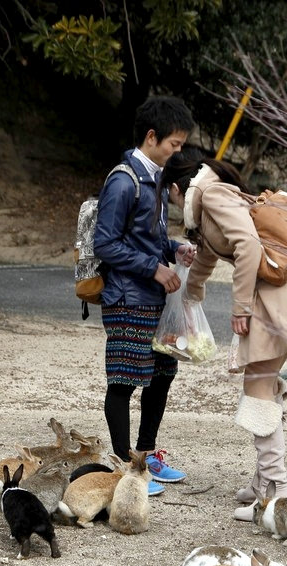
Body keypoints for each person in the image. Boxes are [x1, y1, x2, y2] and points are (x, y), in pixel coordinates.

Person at [156, 152, 287, 518]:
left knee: (257, 388)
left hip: (275, 297)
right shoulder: (211, 200)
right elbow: (210, 255)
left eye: (170, 197)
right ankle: (264, 483)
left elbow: (248, 245)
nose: (174, 205)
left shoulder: (210, 196)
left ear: (177, 188)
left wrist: (240, 307)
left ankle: (276, 493)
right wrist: (189, 299)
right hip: (280, 293)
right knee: (262, 381)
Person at [93, 96, 195, 497]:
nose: (178, 150)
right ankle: (125, 467)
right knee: (123, 381)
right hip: (126, 299)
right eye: (174, 143)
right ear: (152, 137)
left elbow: (144, 238)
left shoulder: (154, 178)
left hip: (154, 298)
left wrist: (173, 249)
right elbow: (105, 244)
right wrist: (154, 267)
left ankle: (147, 455)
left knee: (161, 378)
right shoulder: (124, 180)